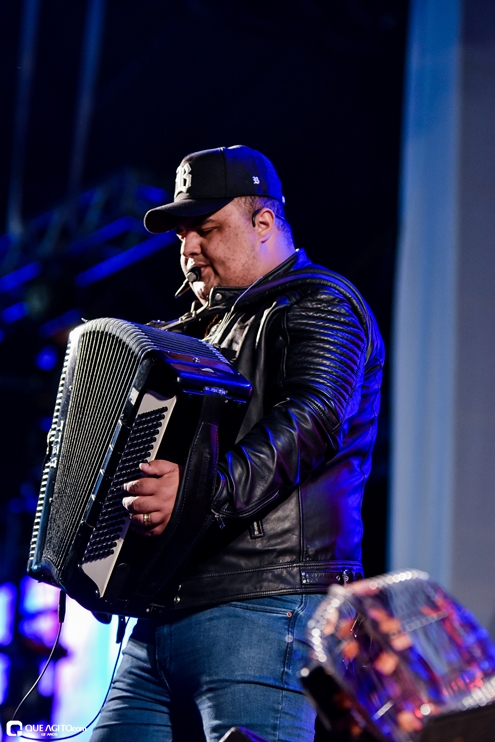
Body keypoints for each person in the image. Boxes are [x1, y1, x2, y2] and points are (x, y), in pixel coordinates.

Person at [90, 145, 384, 742]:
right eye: (182, 235)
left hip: (265, 604)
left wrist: (195, 495)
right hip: (158, 614)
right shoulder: (193, 334)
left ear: (264, 222)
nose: (189, 248)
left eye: (207, 228)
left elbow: (312, 419)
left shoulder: (322, 301)